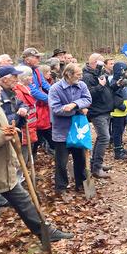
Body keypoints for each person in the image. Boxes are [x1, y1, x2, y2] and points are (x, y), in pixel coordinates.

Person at [0, 73, 72, 254]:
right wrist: (0, 137)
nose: (0, 88)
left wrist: (11, 142)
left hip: (6, 171)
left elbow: (3, 135)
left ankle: (46, 232)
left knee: (26, 204)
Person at [48, 63, 92, 194]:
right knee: (61, 162)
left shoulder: (82, 85)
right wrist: (77, 110)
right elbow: (56, 109)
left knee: (80, 159)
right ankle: (61, 187)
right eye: (78, 74)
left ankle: (81, 184)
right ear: (68, 74)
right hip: (62, 131)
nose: (81, 76)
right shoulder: (55, 89)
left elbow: (88, 99)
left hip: (78, 130)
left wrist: (74, 104)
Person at [82, 53, 114, 179]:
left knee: (102, 138)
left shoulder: (99, 73)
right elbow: (88, 94)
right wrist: (100, 86)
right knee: (104, 138)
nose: (103, 64)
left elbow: (107, 89)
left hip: (105, 110)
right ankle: (96, 168)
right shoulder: (87, 77)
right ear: (95, 62)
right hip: (97, 112)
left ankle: (96, 163)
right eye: (101, 62)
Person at [21, 48, 54, 157]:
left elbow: (44, 84)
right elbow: (33, 91)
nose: (39, 59)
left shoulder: (36, 69)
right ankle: (30, 157)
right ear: (27, 59)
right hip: (28, 105)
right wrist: (50, 99)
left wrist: (54, 93)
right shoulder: (23, 71)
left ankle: (34, 154)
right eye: (36, 57)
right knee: (33, 132)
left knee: (41, 130)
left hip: (39, 106)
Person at [13, 66, 38, 162]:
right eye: (30, 75)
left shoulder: (26, 89)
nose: (32, 78)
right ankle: (22, 176)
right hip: (24, 130)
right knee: (23, 157)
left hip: (31, 128)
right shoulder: (19, 92)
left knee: (28, 154)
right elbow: (21, 109)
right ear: (25, 77)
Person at [110, 62, 127, 160]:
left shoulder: (123, 81)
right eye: (124, 70)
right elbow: (112, 96)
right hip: (118, 112)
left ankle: (120, 147)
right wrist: (120, 106)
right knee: (117, 132)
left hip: (124, 111)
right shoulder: (114, 82)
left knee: (121, 130)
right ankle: (117, 151)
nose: (125, 72)